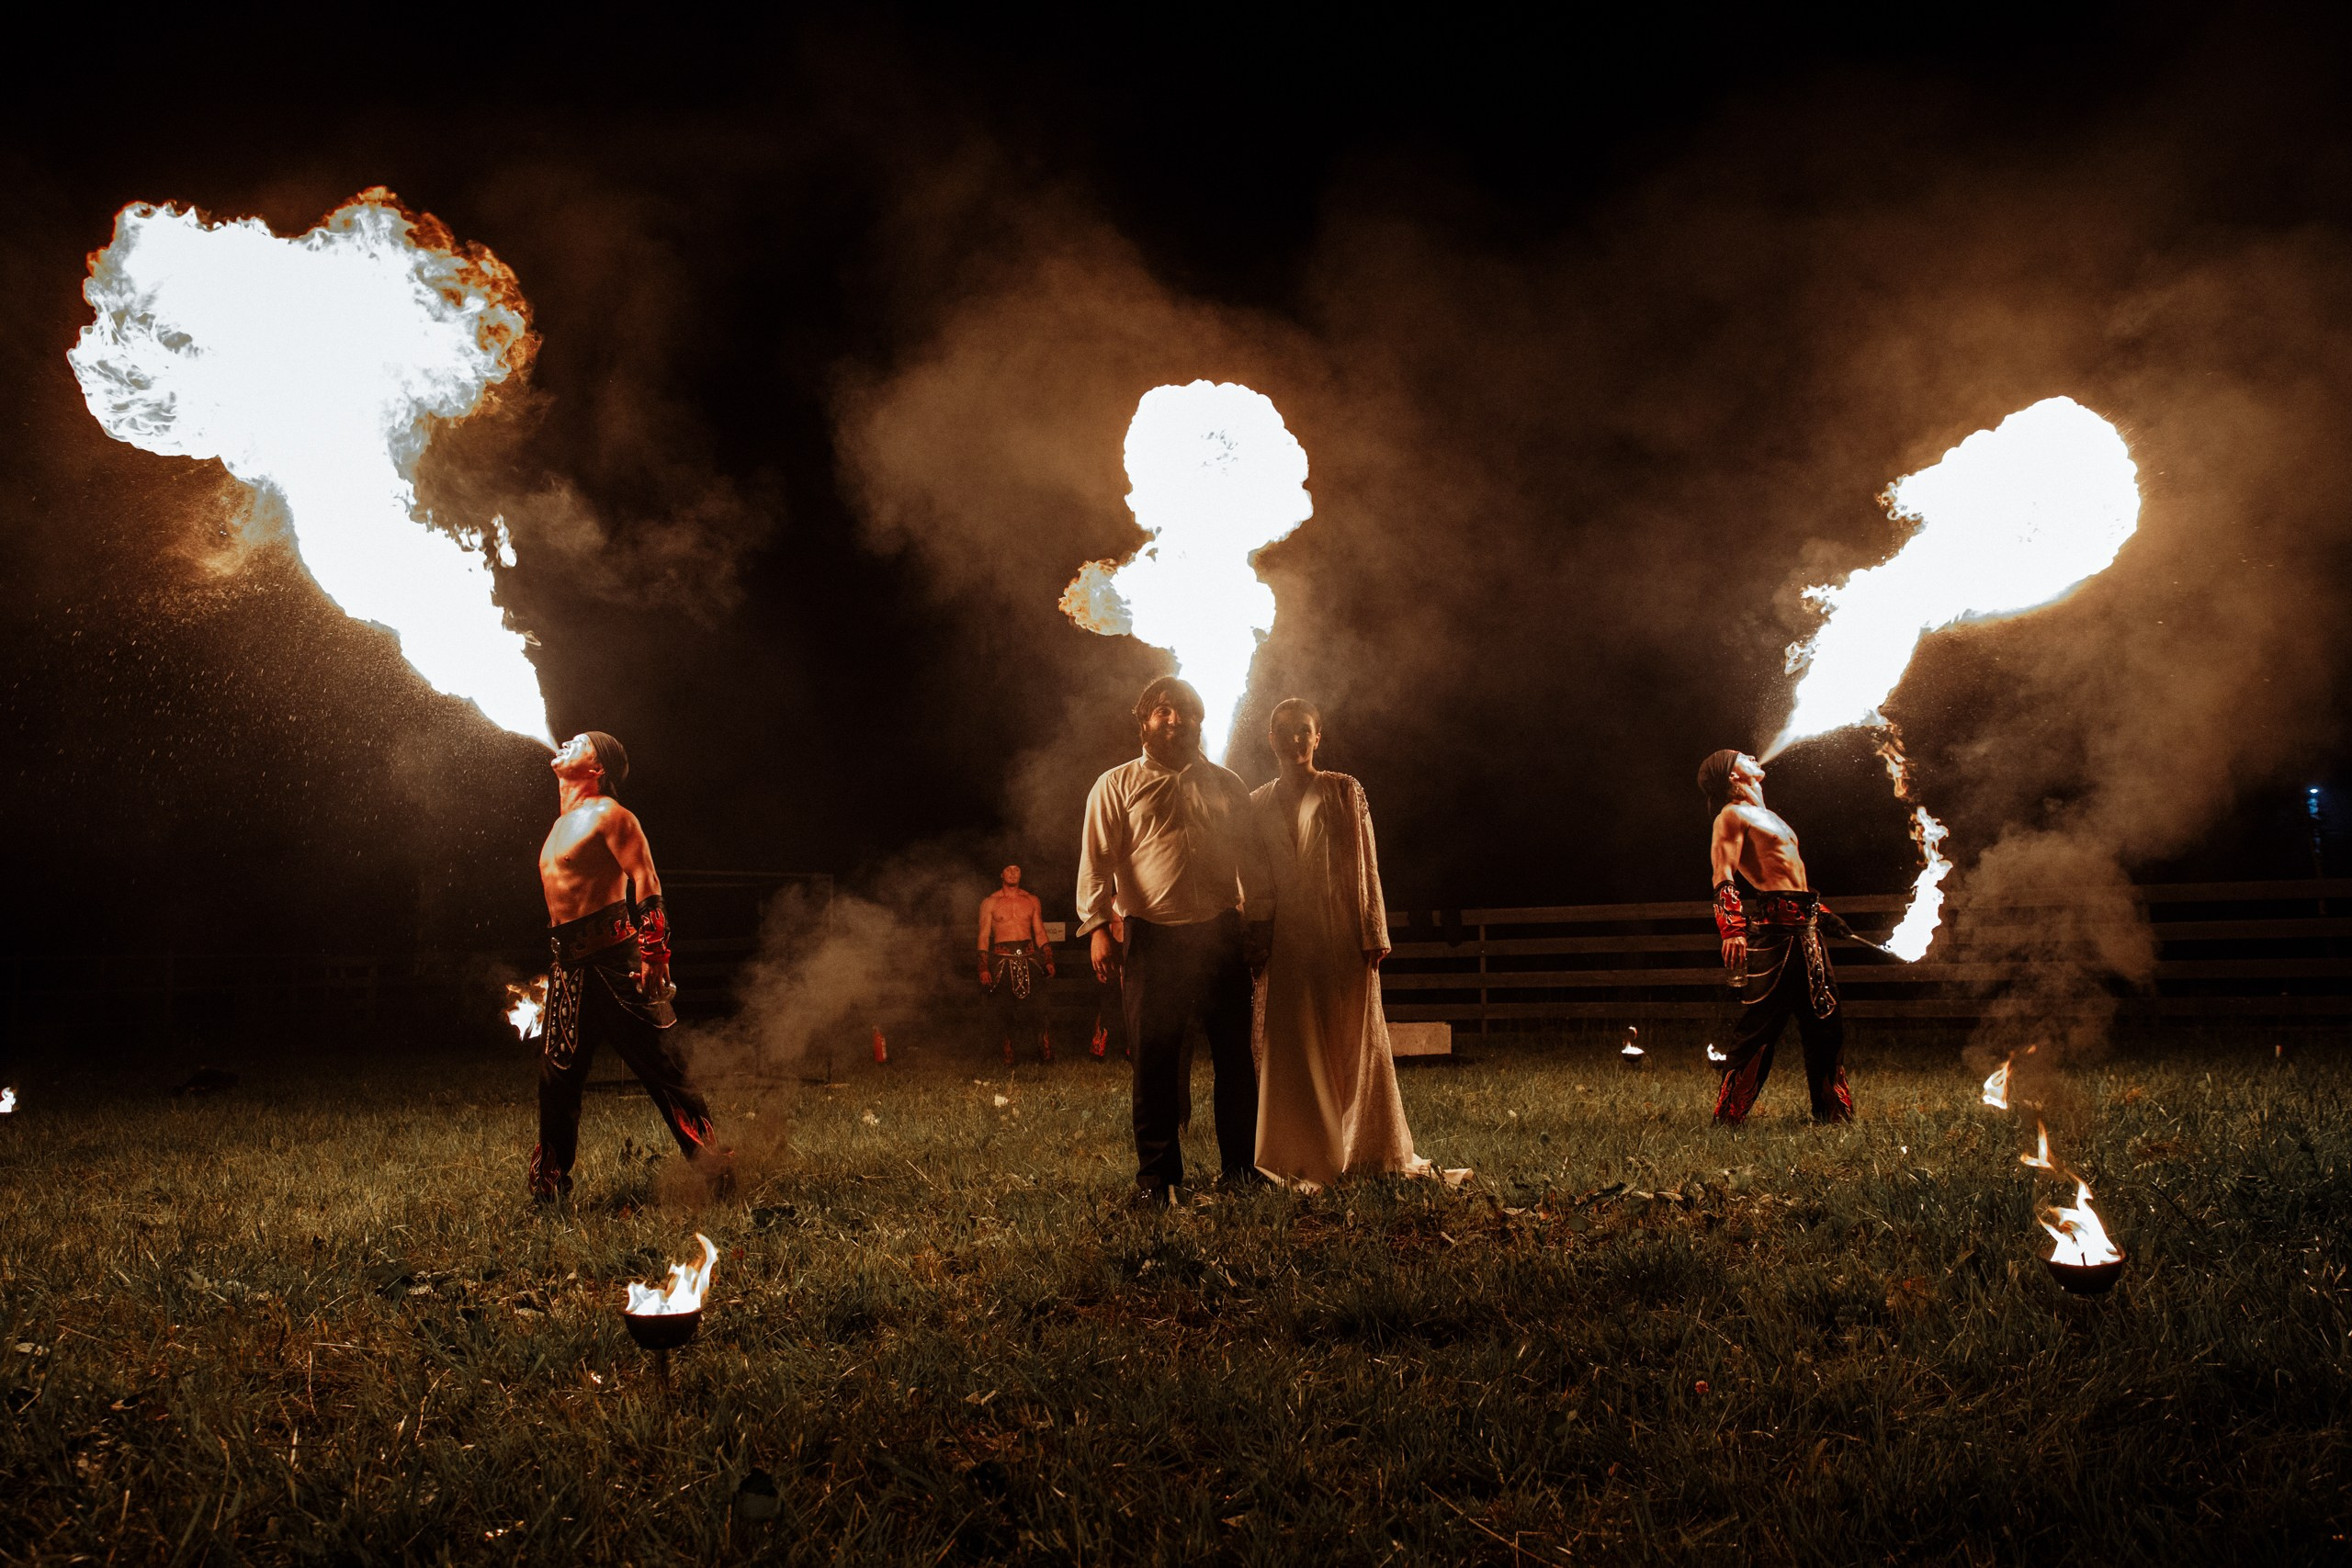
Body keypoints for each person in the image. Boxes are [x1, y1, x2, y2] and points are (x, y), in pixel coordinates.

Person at [1078, 676, 1272, 1202]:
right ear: (1143, 721)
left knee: (1235, 1058)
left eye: (1185, 711)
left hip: (1219, 932)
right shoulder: (1115, 785)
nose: (1175, 720)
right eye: (1163, 711)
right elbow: (1096, 861)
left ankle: (1240, 1171)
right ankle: (1157, 1177)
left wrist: (1258, 920)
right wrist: (1097, 926)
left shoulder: (1227, 784)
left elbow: (1252, 861)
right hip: (1152, 937)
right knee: (1154, 1057)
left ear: (1200, 721)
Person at [528, 730, 724, 1201]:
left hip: (619, 965)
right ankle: (549, 1189)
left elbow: (645, 876)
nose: (568, 743)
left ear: (598, 770)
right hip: (569, 970)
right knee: (556, 1080)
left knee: (665, 1070)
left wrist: (655, 951)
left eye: (582, 742)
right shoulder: (559, 826)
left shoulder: (611, 814)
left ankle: (717, 1172)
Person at [1250, 699, 1432, 1190]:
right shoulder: (1257, 803)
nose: (1293, 740)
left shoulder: (1344, 791)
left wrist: (1373, 929)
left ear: (1317, 737)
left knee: (1346, 1034)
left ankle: (1359, 1144)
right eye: (1283, 731)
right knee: (1292, 1042)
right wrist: (1253, 934)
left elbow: (1364, 861)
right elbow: (1251, 876)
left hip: (1338, 931)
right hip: (1284, 938)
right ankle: (1298, 1150)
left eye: (1303, 731)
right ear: (1269, 738)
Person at [1699, 749, 1854, 1125]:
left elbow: (1789, 878)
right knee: (1761, 1027)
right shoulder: (1730, 815)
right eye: (1741, 756)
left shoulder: (1771, 817)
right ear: (1731, 777)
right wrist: (1732, 928)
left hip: (1807, 934)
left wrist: (1823, 914)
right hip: (1775, 938)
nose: (1753, 755)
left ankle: (1832, 1116)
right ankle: (1729, 1117)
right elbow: (1723, 874)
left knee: (1826, 1022)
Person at [978, 863, 1057, 1065]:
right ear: (1001, 874)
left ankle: (1045, 1050)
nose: (1013, 872)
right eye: (1008, 869)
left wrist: (1048, 959)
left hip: (1030, 956)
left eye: (1017, 869)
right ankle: (1008, 1052)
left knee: (1040, 1007)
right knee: (1005, 1009)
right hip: (1002, 958)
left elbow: (1039, 931)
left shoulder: (1031, 900)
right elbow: (984, 935)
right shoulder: (990, 902)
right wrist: (983, 966)